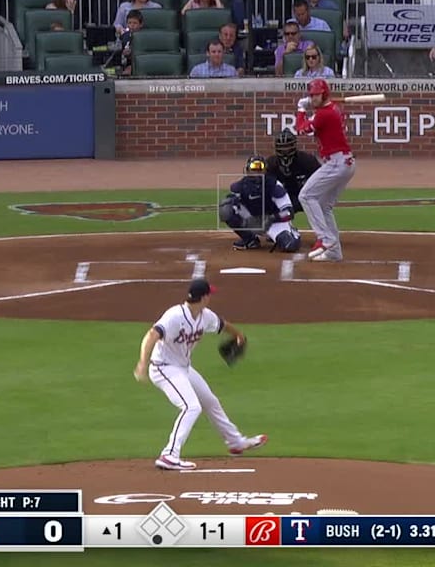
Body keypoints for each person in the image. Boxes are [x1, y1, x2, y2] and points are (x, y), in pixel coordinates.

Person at [133, 278, 267, 471]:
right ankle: (169, 454)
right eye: (209, 295)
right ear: (203, 297)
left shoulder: (205, 316)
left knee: (210, 401)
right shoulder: (175, 316)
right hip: (163, 368)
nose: (210, 298)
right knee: (191, 407)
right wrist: (142, 363)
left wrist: (239, 335)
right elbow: (152, 335)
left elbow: (222, 325)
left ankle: (235, 442)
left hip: (183, 368)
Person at [296, 78, 354, 262]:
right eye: (311, 95)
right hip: (344, 163)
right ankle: (334, 252)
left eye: (316, 95)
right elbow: (311, 128)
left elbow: (301, 130)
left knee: (306, 196)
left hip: (337, 163)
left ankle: (325, 238)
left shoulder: (324, 114)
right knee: (324, 206)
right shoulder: (329, 110)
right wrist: (309, 110)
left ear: (325, 94)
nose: (313, 98)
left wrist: (300, 109)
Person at [218, 155, 302, 252]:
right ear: (247, 170)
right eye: (254, 169)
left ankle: (291, 233)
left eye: (260, 169)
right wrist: (232, 201)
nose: (256, 173)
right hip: (253, 220)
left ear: (265, 171)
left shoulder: (274, 186)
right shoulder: (239, 186)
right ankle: (249, 240)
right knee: (226, 209)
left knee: (290, 245)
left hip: (274, 223)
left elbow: (289, 212)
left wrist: (271, 218)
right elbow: (231, 204)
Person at [265, 129, 320, 211]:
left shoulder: (308, 160)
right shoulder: (271, 163)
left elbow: (320, 182)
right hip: (282, 196)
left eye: (287, 147)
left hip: (305, 196)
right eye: (282, 147)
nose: (284, 150)